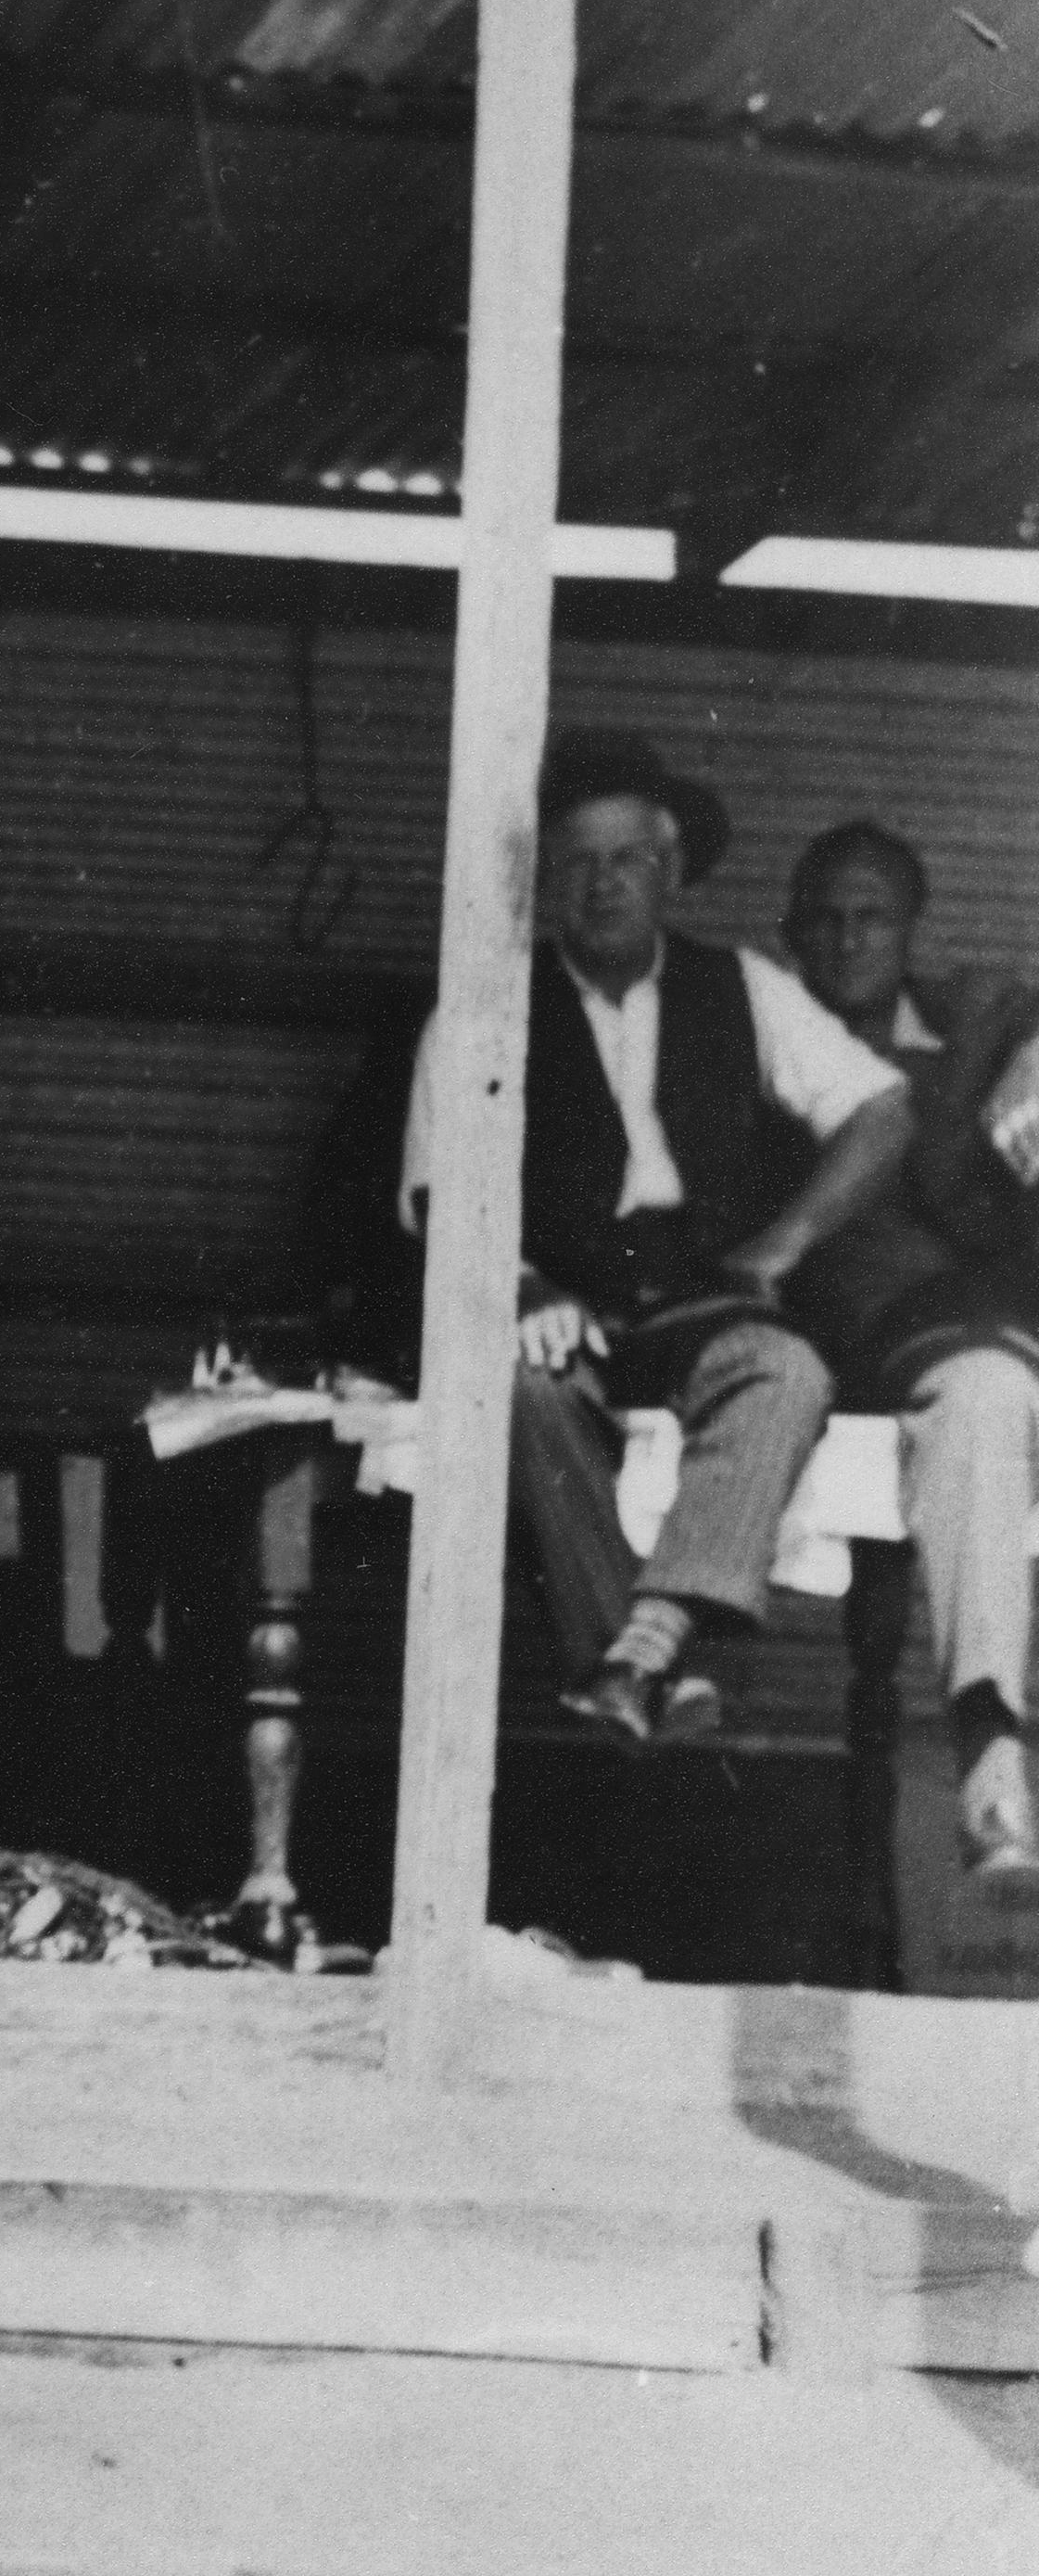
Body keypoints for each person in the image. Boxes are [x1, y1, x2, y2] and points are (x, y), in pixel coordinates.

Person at [399, 737, 903, 1749]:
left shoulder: (743, 987)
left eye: (626, 857)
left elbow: (880, 1108)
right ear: (543, 876)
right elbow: (430, 1193)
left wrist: (781, 1243)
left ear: (669, 870)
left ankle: (637, 1654)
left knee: (785, 1372)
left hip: (698, 1294)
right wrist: (520, 1283)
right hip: (561, 1302)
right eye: (578, 861)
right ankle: (652, 1668)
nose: (602, 883)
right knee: (515, 1392)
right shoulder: (482, 1009)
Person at [798, 819, 1039, 1882]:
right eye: (827, 919)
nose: (849, 941)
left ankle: (989, 1748)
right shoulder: (756, 1023)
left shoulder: (974, 1024)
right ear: (789, 932)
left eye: (873, 918)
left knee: (987, 1399)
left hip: (954, 1326)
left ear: (910, 931)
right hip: (824, 1329)